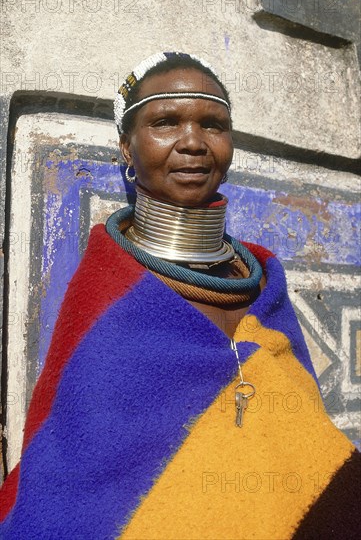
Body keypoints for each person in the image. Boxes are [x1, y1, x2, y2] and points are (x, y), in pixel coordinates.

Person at [0, 52, 359, 540]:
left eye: (213, 124)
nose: (193, 142)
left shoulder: (263, 282)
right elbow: (70, 486)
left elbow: (303, 437)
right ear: (126, 148)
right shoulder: (110, 295)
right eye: (166, 122)